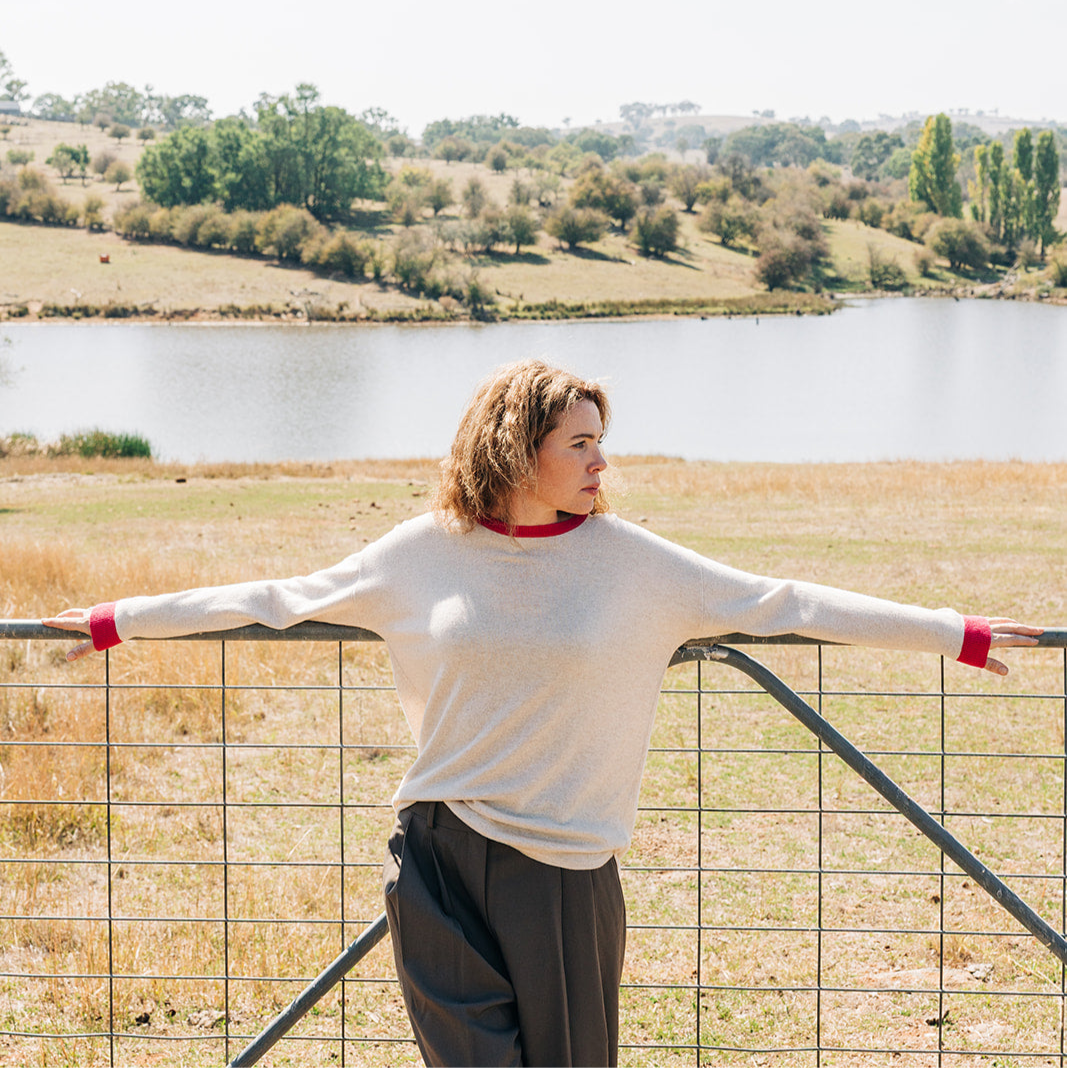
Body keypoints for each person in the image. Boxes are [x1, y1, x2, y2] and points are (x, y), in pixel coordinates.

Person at [44, 359, 1040, 1068]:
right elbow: (274, 598)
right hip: (432, 855)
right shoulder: (418, 551)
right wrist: (113, 620)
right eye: (580, 444)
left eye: (601, 443)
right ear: (516, 447)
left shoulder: (631, 561)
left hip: (562, 869)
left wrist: (950, 631)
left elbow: (785, 603)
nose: (601, 464)